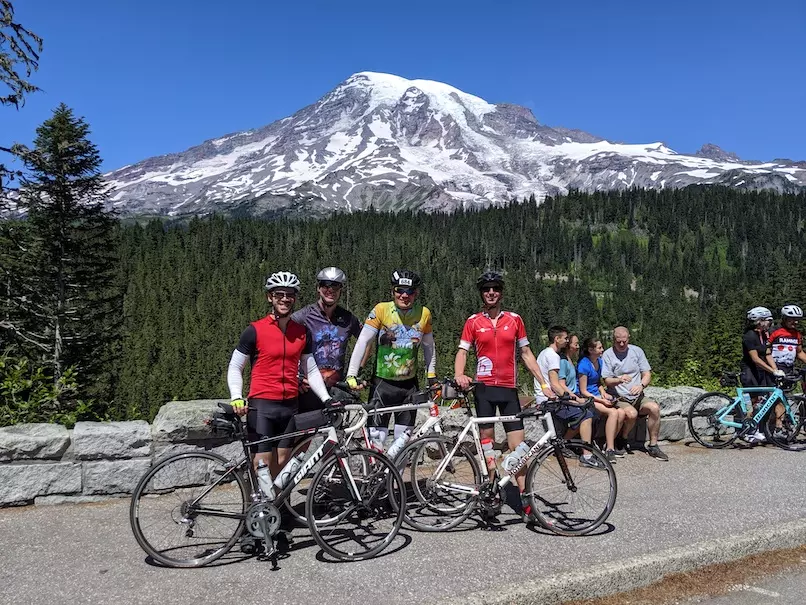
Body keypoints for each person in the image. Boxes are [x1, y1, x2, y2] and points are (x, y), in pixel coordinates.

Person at [454, 271, 554, 519]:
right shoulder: (473, 321)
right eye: (487, 289)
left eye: (495, 288)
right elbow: (463, 352)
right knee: (487, 445)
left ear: (501, 292)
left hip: (509, 389)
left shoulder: (515, 319)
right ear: (481, 293)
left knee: (518, 447)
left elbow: (527, 354)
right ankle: (491, 489)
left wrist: (543, 384)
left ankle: (525, 496)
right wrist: (459, 374)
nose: (491, 292)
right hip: (484, 390)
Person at [226, 271, 332, 477]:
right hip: (262, 405)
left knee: (283, 461)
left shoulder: (301, 332)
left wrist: (326, 398)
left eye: (290, 294)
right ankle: (257, 506)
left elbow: (310, 369)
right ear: (270, 297)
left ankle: (275, 506)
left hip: (290, 406)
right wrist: (237, 397)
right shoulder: (254, 330)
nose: (285, 298)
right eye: (279, 294)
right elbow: (235, 366)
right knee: (262, 464)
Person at [275, 267, 362, 467]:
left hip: (336, 389)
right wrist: (295, 375)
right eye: (325, 285)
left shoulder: (348, 319)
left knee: (333, 441)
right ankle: (286, 482)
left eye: (335, 286)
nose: (329, 290)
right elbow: (282, 346)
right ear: (318, 288)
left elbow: (364, 342)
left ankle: (325, 486)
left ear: (341, 290)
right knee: (300, 442)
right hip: (308, 389)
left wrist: (355, 373)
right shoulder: (302, 317)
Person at [345, 269, 437, 451]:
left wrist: (432, 375)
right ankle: (375, 478)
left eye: (409, 291)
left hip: (409, 386)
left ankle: (394, 479)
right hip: (382, 384)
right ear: (392, 291)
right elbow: (364, 340)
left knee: (402, 443)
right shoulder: (381, 310)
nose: (404, 295)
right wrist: (351, 374)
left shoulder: (424, 313)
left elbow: (429, 346)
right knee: (376, 443)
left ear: (416, 293)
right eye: (399, 290)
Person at [535, 326, 601, 468]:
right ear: (556, 339)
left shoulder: (545, 353)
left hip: (546, 398)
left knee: (582, 413)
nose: (566, 341)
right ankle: (587, 456)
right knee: (586, 415)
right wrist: (574, 399)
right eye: (565, 338)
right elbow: (555, 384)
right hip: (550, 401)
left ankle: (566, 445)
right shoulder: (553, 356)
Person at [601, 326, 668, 461]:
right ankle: (621, 439)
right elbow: (607, 380)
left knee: (654, 408)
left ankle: (653, 445)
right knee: (632, 414)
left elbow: (647, 374)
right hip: (620, 397)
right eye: (618, 341)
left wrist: (641, 385)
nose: (621, 344)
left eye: (624, 341)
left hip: (638, 395)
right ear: (613, 339)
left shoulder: (637, 351)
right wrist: (619, 380)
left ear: (628, 338)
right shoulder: (608, 354)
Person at [577, 337, 626, 462]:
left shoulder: (599, 361)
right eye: (599, 348)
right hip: (588, 397)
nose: (602, 350)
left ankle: (607, 442)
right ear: (590, 350)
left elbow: (598, 382)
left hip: (597, 395)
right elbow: (583, 390)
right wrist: (601, 401)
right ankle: (610, 449)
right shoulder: (583, 365)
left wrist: (603, 393)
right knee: (613, 412)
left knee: (621, 413)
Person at [741, 306, 783, 443]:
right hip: (749, 370)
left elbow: (767, 354)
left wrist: (776, 370)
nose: (770, 323)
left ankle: (757, 429)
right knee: (751, 401)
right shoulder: (749, 336)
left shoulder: (764, 334)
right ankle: (747, 431)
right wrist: (772, 371)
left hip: (760, 370)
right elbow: (756, 359)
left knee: (761, 401)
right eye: (768, 321)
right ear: (759, 321)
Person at [768, 305, 806, 376]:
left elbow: (800, 352)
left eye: (798, 319)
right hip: (773, 369)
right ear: (784, 318)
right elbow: (765, 350)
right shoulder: (773, 331)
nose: (796, 322)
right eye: (793, 319)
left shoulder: (797, 334)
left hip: (789, 369)